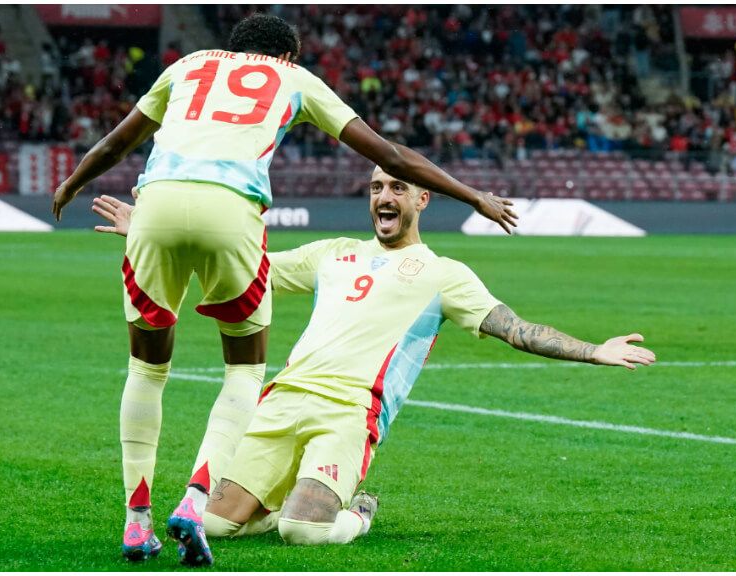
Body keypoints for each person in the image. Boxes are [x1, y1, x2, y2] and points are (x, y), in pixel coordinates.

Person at [53, 13, 517, 566]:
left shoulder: (187, 66)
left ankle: (136, 523)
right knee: (243, 371)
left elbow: (117, 142)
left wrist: (72, 183)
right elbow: (390, 155)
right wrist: (474, 197)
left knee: (146, 370)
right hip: (231, 208)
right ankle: (195, 500)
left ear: (233, 47)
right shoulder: (294, 78)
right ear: (288, 56)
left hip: (153, 203)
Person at [91, 167, 655, 556]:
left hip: (348, 413)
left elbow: (516, 330)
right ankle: (277, 501)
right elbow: (242, 268)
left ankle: (356, 513)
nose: (384, 197)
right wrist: (150, 234)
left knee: (303, 533)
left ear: (421, 199)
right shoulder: (332, 253)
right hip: (281, 401)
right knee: (213, 523)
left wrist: (593, 350)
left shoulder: (445, 274)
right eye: (377, 187)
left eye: (397, 188)